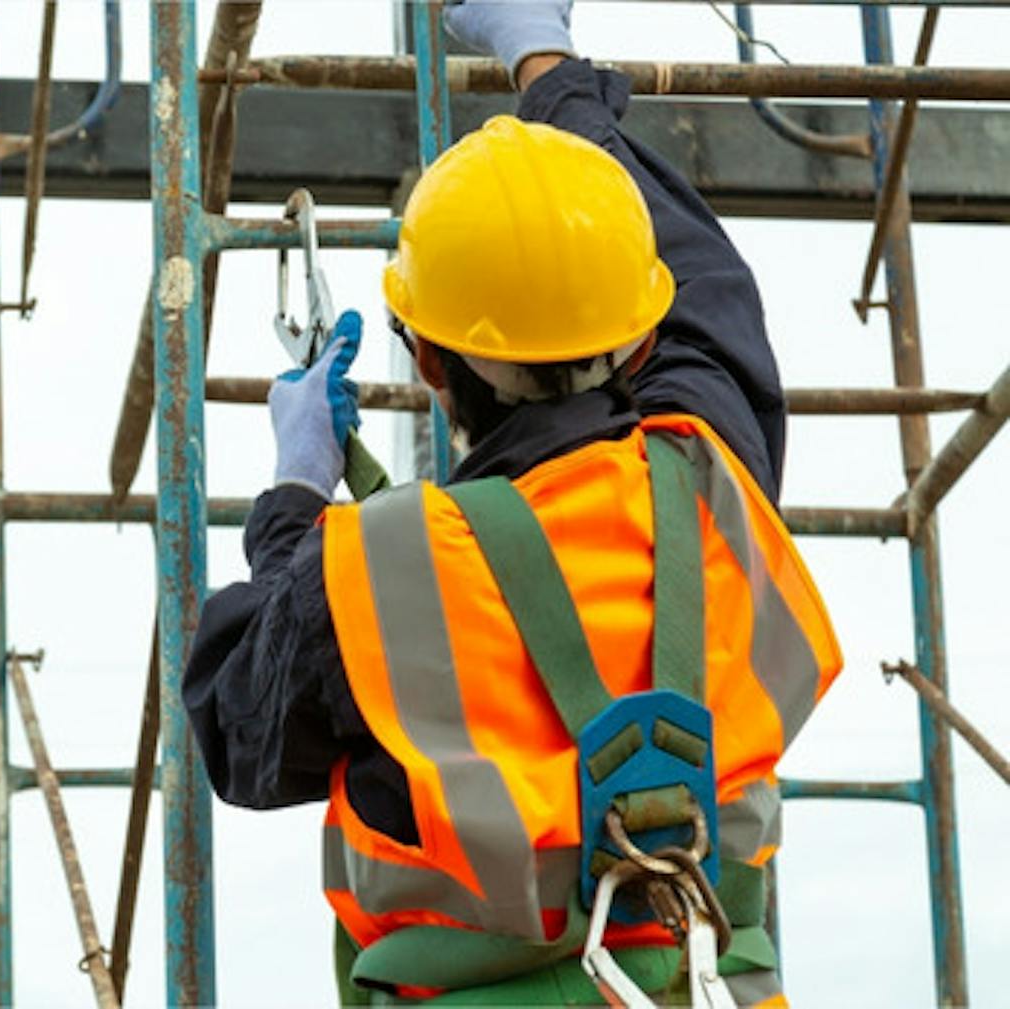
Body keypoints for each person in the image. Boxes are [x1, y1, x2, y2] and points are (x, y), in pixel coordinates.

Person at [182, 3, 842, 1005]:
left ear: (429, 361)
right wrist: (545, 58)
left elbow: (237, 722)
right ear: (644, 336)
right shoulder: (715, 479)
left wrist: (294, 491)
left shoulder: (373, 572)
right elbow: (704, 281)